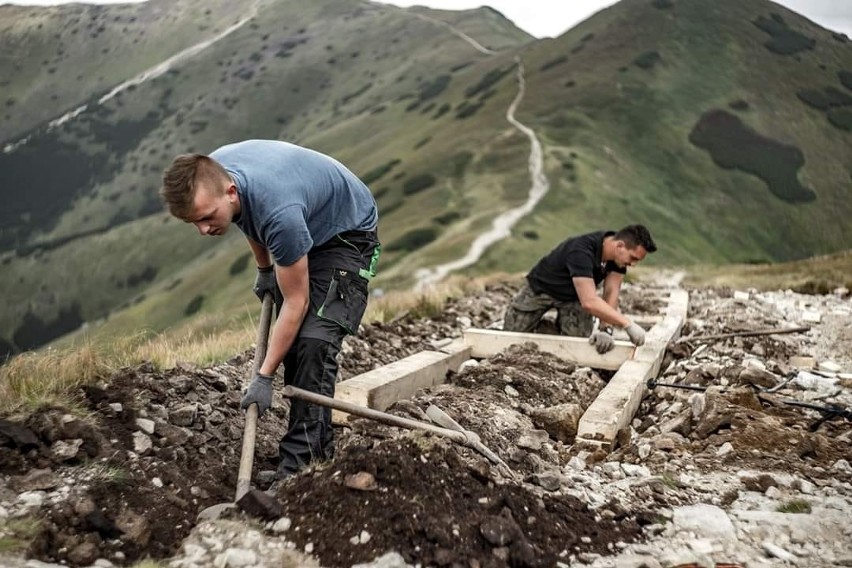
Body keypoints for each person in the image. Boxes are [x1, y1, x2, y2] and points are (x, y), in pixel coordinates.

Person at [160, 139, 380, 486]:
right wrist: (265, 268)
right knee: (294, 342)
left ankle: (297, 469)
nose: (203, 230)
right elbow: (250, 218)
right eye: (194, 223)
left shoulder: (279, 214)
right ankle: (314, 455)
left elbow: (296, 301)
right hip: (302, 220)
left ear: (230, 192)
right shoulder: (217, 176)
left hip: (346, 236)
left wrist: (263, 377)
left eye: (206, 218)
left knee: (314, 341)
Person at [503, 225, 656, 354]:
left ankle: (550, 328)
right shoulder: (581, 250)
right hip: (541, 289)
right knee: (509, 339)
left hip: (574, 296)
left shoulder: (618, 260)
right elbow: (589, 301)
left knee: (577, 346)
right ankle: (541, 326)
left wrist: (606, 329)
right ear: (620, 245)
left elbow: (611, 293)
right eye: (633, 258)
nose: (633, 264)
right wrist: (627, 324)